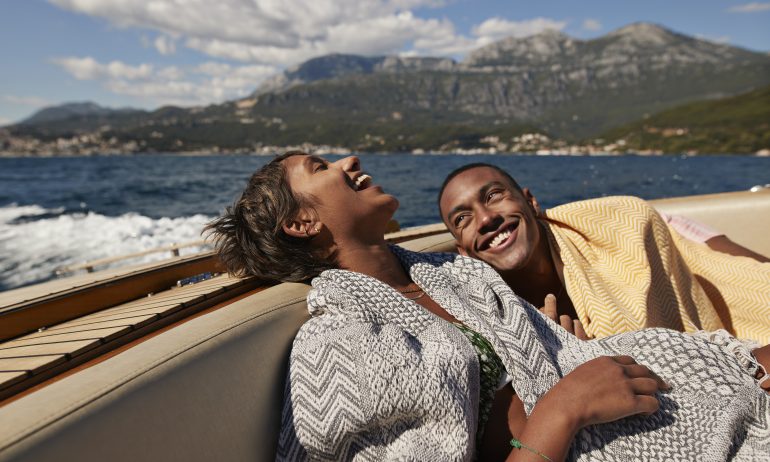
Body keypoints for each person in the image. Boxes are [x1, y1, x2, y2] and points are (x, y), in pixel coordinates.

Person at [206, 152, 769, 461]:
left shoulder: (460, 278)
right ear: (302, 222)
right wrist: (561, 410)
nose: (348, 160)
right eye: (319, 166)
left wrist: (737, 358)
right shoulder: (338, 344)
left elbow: (564, 360)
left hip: (673, 408)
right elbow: (553, 401)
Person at [438, 163, 770, 344]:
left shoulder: (621, 229)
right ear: (463, 251)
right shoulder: (482, 314)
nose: (486, 219)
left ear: (531, 202)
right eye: (462, 218)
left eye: (494, 196)